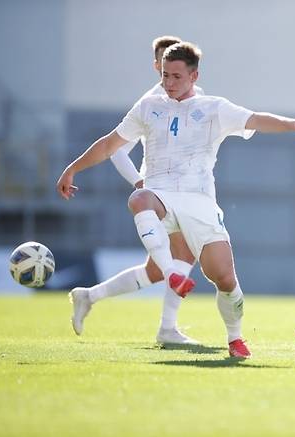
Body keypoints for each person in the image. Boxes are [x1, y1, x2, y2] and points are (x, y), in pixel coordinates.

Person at [57, 42, 295, 358]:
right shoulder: (148, 106)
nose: (168, 82)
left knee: (225, 278)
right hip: (160, 194)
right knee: (139, 198)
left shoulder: (213, 108)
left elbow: (256, 119)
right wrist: (72, 168)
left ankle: (235, 338)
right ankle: (171, 286)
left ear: (194, 75)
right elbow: (110, 144)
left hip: (199, 202)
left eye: (176, 76)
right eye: (165, 75)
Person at [68, 36, 204, 346]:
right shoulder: (151, 103)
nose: (164, 71)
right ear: (156, 65)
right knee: (182, 255)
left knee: (155, 270)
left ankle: (89, 295)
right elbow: (116, 149)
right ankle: (168, 329)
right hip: (164, 194)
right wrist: (139, 183)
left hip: (186, 190)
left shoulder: (191, 98)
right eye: (161, 64)